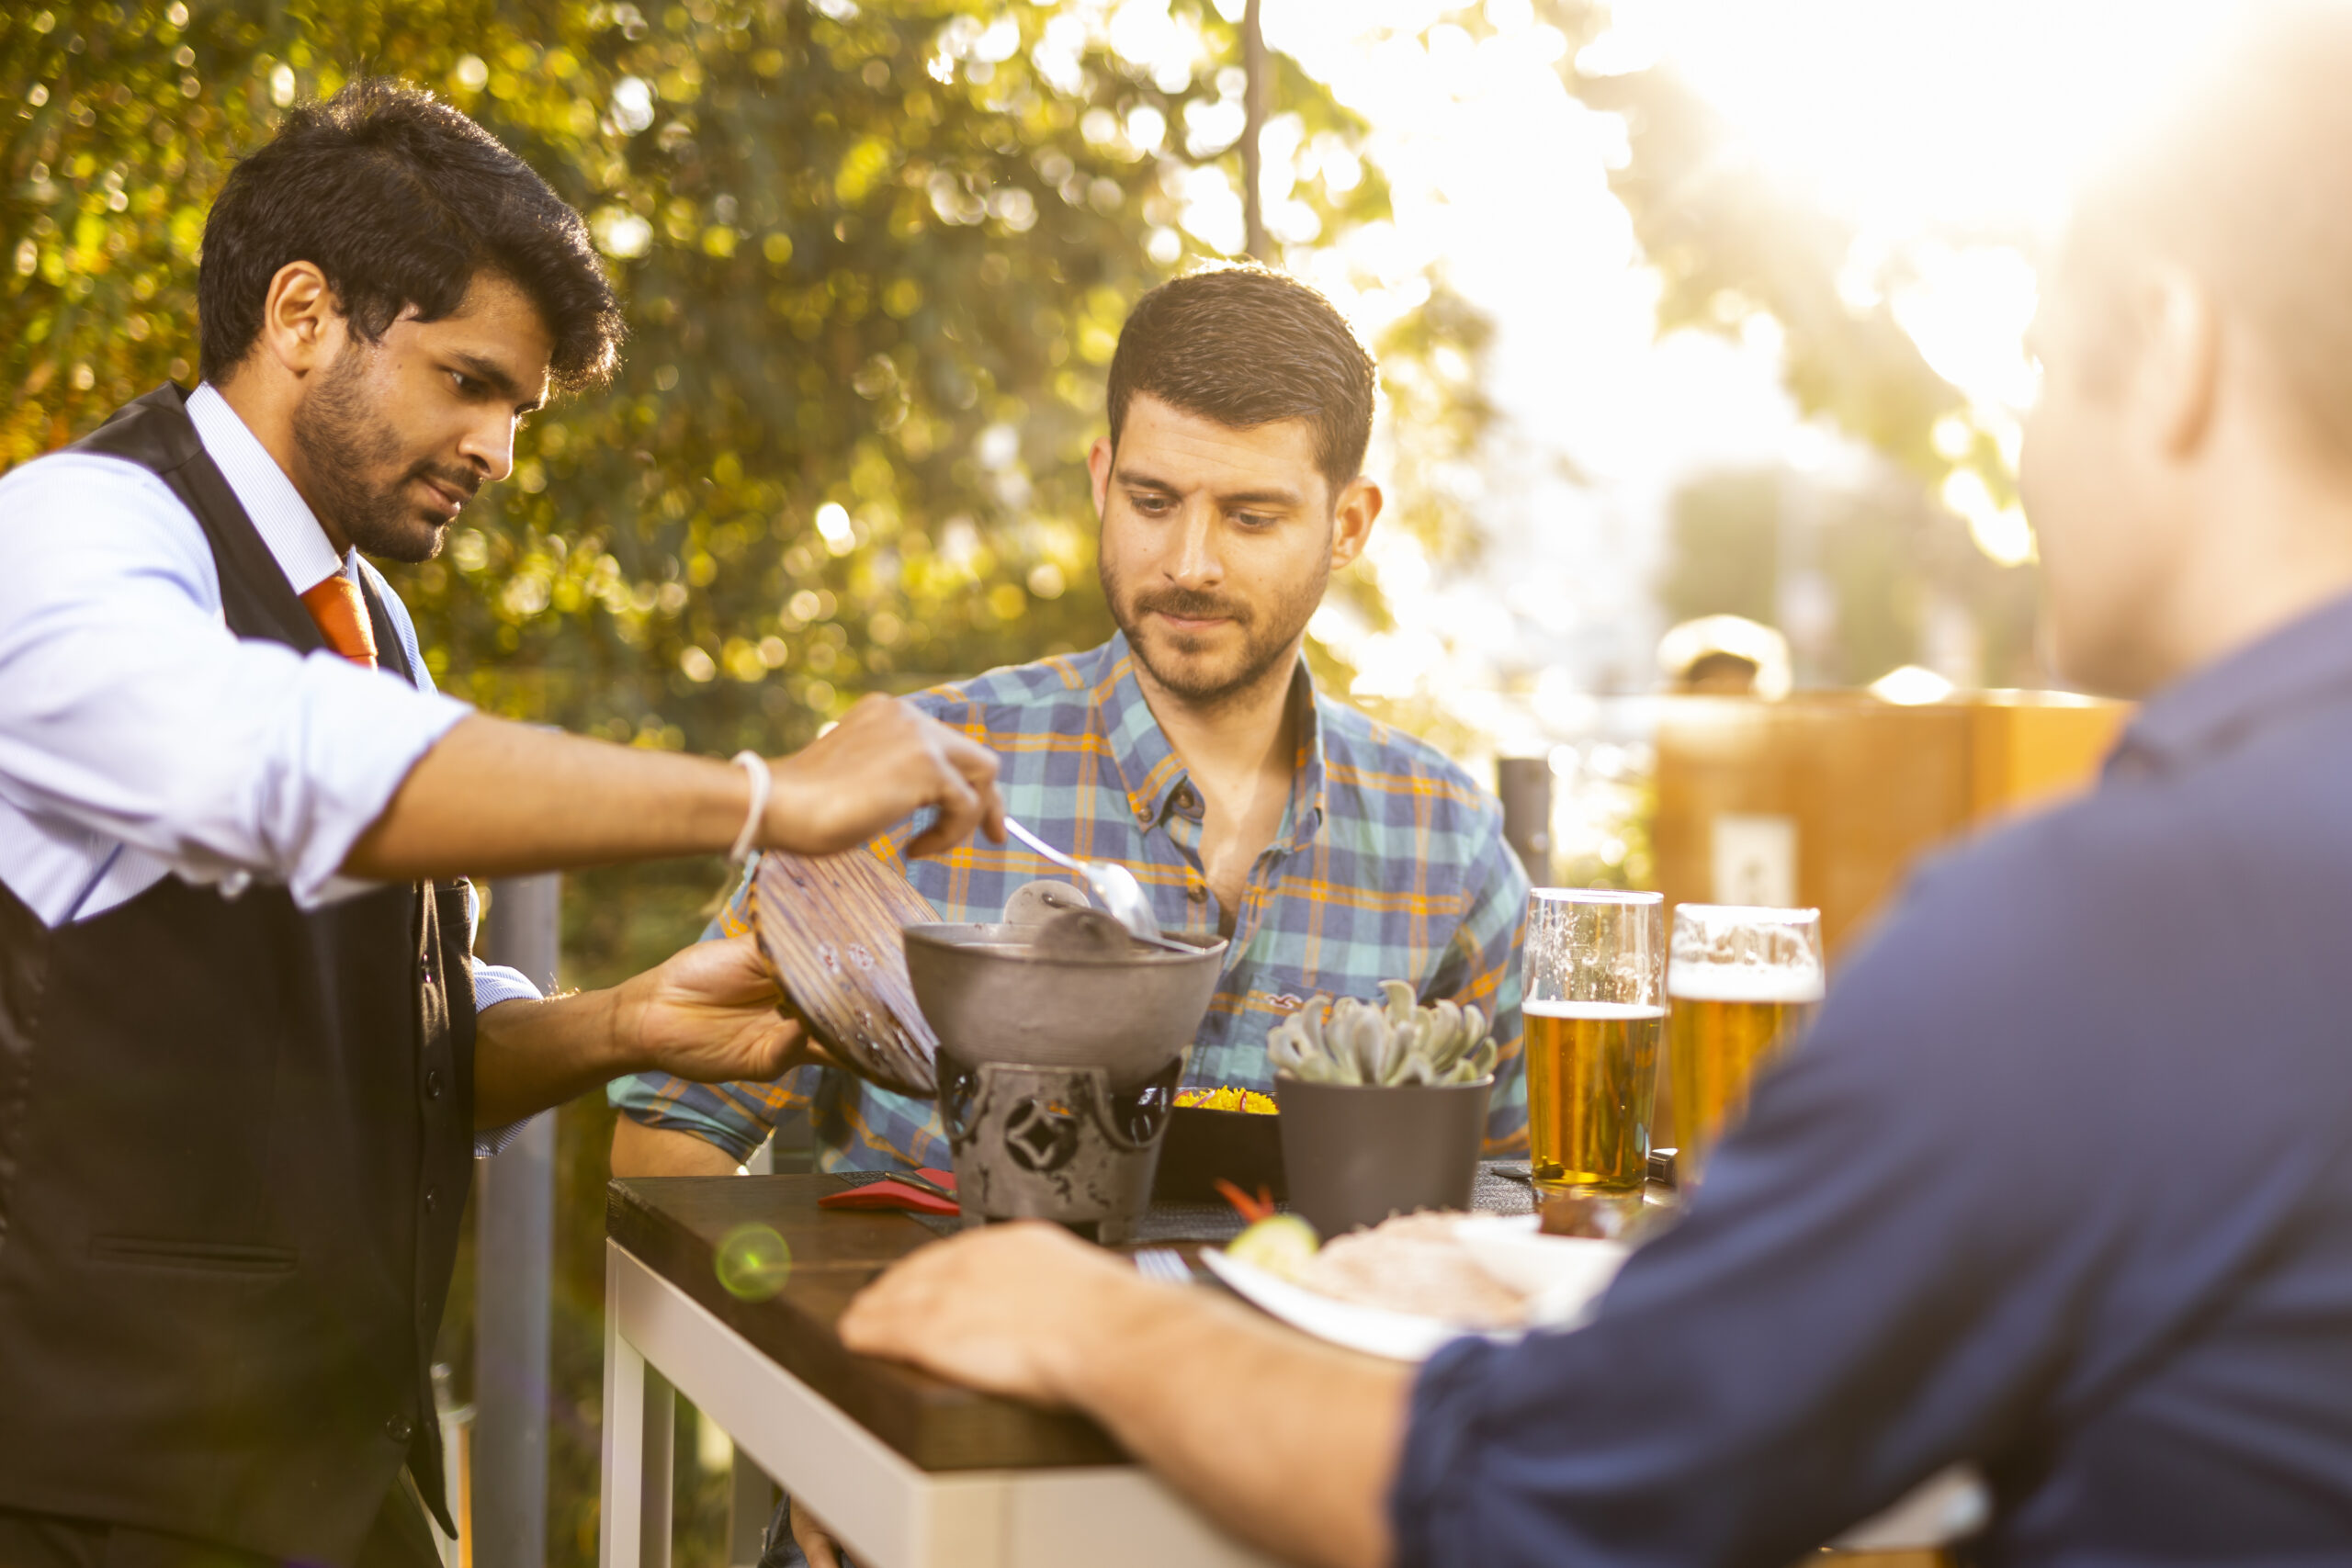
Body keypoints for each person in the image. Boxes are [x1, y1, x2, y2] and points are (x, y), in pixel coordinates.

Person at [834, 10, 2352, 1566]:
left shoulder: (2094, 937)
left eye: (2036, 364)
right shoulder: (917, 768)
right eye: (1154, 499)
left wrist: (1103, 1328)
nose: (2025, 452)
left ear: (2168, 346)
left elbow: (1557, 1485)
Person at [0, 81, 1001, 1568]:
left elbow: (392, 1050)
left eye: (515, 410)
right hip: (99, 1500)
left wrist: (631, 1022)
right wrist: (764, 797)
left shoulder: (374, 620)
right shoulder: (69, 538)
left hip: (341, 1485)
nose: (498, 451)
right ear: (302, 314)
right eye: (470, 381)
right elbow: (286, 768)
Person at [609, 266, 1532, 1182]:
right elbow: (673, 1122)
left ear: (1348, 526)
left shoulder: (1447, 845)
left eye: (1251, 517)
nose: (1189, 562)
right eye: (1153, 502)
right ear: (1102, 480)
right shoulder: (902, 778)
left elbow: (1515, 1199)